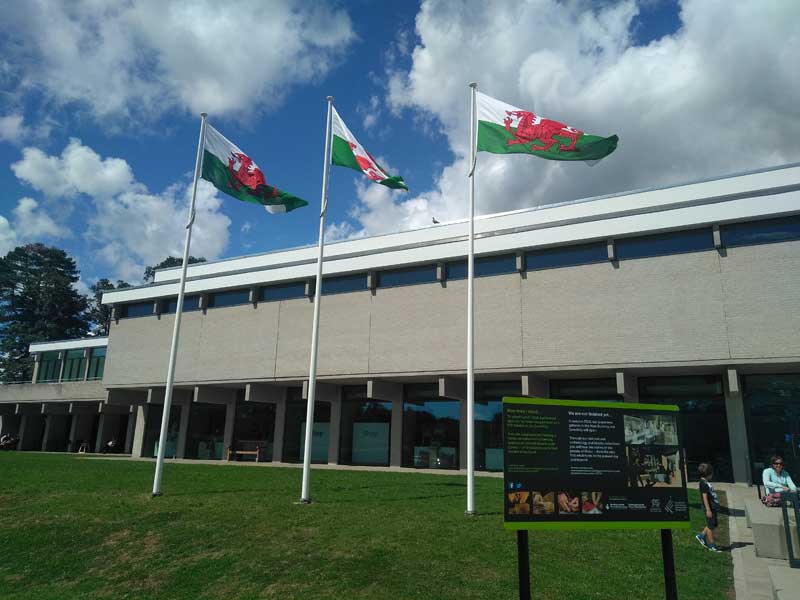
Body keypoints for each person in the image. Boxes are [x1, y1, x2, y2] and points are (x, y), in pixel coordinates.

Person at [696, 463, 722, 552]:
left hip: (713, 507)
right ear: (708, 474)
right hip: (709, 508)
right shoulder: (703, 483)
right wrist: (708, 509)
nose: (712, 475)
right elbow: (704, 497)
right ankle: (712, 545)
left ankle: (701, 536)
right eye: (712, 473)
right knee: (711, 527)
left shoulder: (706, 482)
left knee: (713, 524)